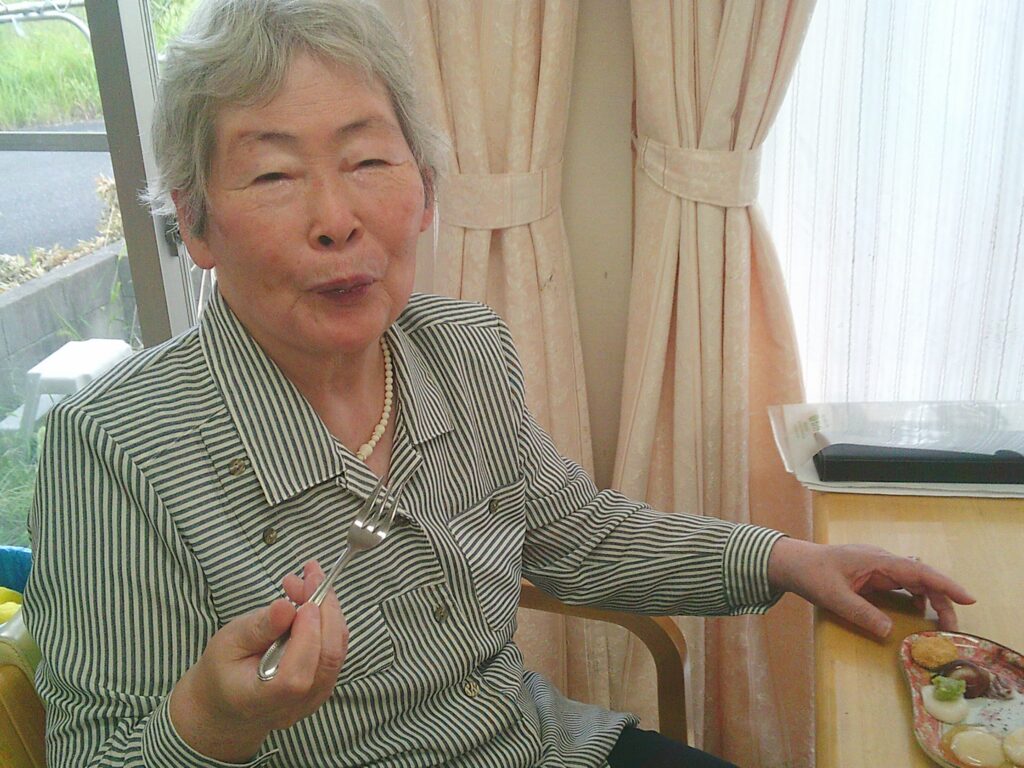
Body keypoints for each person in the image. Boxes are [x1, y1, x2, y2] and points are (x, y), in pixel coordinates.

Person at [23, 1, 974, 766]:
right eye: (274, 175)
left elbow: (581, 535)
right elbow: (99, 753)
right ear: (194, 223)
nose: (337, 219)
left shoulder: (464, 351)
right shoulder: (114, 446)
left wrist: (787, 561)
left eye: (368, 160)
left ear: (426, 192)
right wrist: (211, 723)